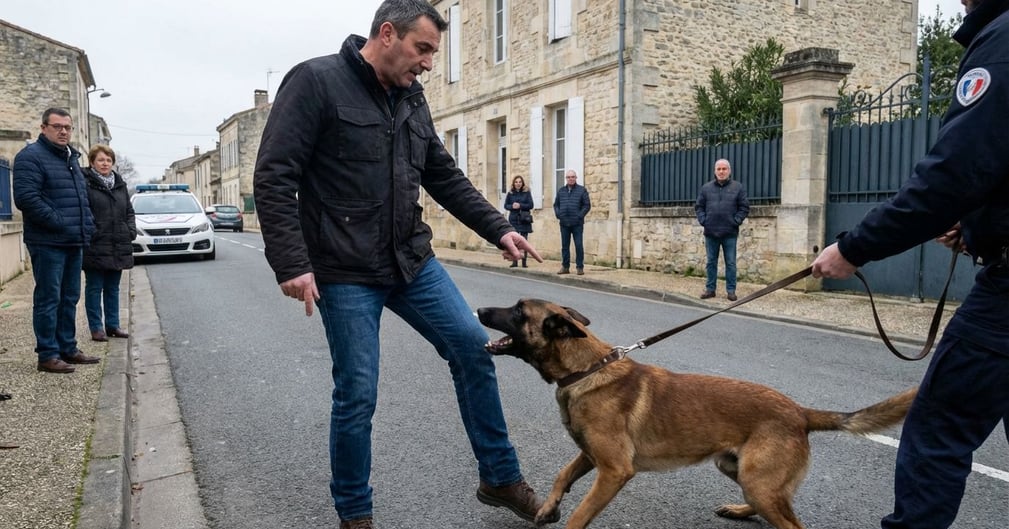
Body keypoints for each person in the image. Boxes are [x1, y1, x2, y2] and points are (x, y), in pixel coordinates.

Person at [252, 2, 545, 528]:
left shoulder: (411, 99)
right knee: (358, 392)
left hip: (411, 260)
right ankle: (355, 514)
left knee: (473, 351)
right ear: (387, 34)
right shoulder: (316, 82)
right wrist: (292, 263)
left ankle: (499, 478)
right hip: (342, 271)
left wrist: (499, 228)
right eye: (423, 49)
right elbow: (274, 177)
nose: (430, 63)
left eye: (434, 52)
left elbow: (443, 174)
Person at [811, 1, 1009, 527]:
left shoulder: (1003, 41)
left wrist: (853, 248)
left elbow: (951, 175)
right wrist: (978, 227)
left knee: (938, 431)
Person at [12, 108, 98, 374]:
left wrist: (87, 225)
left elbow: (81, 197)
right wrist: (60, 221)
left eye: (67, 127)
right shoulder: (31, 157)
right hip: (48, 242)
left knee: (70, 297)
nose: (63, 131)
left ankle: (68, 348)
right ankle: (48, 354)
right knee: (49, 298)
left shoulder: (71, 157)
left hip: (73, 240)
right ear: (43, 128)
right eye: (57, 126)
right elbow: (27, 198)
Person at [82, 145, 136, 342]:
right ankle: (96, 328)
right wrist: (92, 232)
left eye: (108, 160)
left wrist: (130, 230)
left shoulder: (120, 185)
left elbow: (129, 212)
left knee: (113, 287)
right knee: (94, 287)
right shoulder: (85, 183)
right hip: (96, 244)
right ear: (92, 162)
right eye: (100, 160)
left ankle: (113, 325)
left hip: (118, 243)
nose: (105, 164)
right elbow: (84, 211)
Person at [694, 158, 749, 301]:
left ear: (729, 171)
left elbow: (744, 207)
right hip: (711, 232)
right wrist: (704, 220)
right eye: (719, 169)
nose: (721, 171)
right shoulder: (706, 188)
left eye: (724, 169)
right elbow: (699, 207)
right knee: (711, 262)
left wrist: (735, 221)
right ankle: (710, 289)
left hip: (729, 232)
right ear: (715, 171)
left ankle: (731, 291)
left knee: (730, 263)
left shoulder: (738, 187)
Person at [553, 169, 591, 275]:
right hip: (564, 223)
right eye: (569, 177)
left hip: (577, 224)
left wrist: (579, 216)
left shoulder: (582, 190)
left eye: (573, 177)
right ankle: (565, 267)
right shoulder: (561, 191)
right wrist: (558, 214)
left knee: (578, 245)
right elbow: (556, 204)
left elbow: (587, 205)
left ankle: (580, 267)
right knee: (565, 246)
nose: (571, 179)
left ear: (576, 178)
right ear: (566, 178)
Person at [504, 175, 534, 268]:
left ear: (522, 183)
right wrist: (512, 206)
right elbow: (506, 205)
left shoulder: (526, 193)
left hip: (524, 219)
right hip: (513, 219)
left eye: (520, 182)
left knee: (524, 241)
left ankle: (524, 262)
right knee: (514, 242)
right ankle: (515, 261)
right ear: (514, 183)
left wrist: (520, 205)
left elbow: (531, 205)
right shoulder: (510, 193)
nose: (518, 184)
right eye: (516, 182)